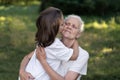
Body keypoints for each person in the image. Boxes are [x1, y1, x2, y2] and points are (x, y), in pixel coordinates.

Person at [19, 7, 79, 80]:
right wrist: (75, 39)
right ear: (54, 27)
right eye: (62, 24)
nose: (65, 27)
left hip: (27, 76)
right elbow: (74, 56)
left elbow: (27, 57)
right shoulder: (55, 45)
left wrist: (22, 71)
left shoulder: (43, 40)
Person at [36, 15, 89, 80]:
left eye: (74, 26)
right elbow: (29, 57)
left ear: (78, 34)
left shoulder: (82, 54)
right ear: (61, 27)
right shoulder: (52, 43)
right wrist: (22, 71)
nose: (69, 27)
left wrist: (43, 61)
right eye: (67, 24)